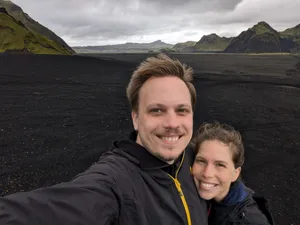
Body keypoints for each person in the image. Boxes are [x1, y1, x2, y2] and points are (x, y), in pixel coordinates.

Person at [0, 54, 208, 225]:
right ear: (135, 118)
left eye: (182, 110)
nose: (172, 123)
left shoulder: (195, 158)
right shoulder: (114, 182)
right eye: (156, 110)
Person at [191, 122, 274, 225]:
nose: (207, 173)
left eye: (220, 165)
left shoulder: (249, 221)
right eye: (201, 161)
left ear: (235, 173)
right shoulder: (204, 197)